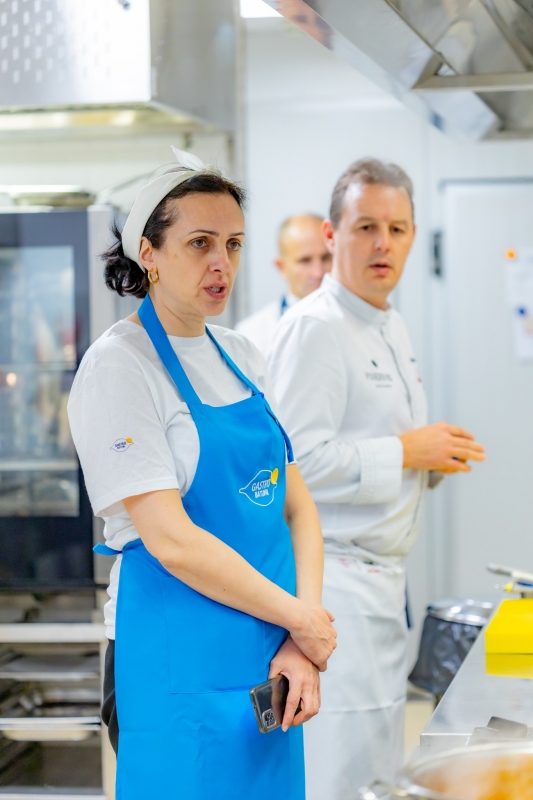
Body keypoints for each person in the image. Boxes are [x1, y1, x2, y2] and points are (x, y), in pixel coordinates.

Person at [67, 149, 337, 800]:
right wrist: (300, 618)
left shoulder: (242, 354)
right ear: (149, 253)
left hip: (269, 650)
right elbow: (172, 540)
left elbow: (296, 507)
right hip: (177, 658)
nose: (222, 263)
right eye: (199, 243)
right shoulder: (119, 367)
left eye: (233, 244)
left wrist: (300, 637)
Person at [267, 158, 485, 798]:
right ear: (332, 234)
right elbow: (295, 468)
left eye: (397, 228)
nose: (383, 243)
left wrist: (428, 462)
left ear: (413, 236)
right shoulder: (316, 328)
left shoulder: (387, 322)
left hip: (382, 586)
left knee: (378, 771)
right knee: (343, 775)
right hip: (337, 586)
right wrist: (407, 451)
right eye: (366, 226)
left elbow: (370, 444)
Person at [236, 213, 331, 354]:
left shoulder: (358, 319)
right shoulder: (251, 335)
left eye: (326, 257)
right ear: (281, 267)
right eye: (305, 261)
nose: (318, 273)